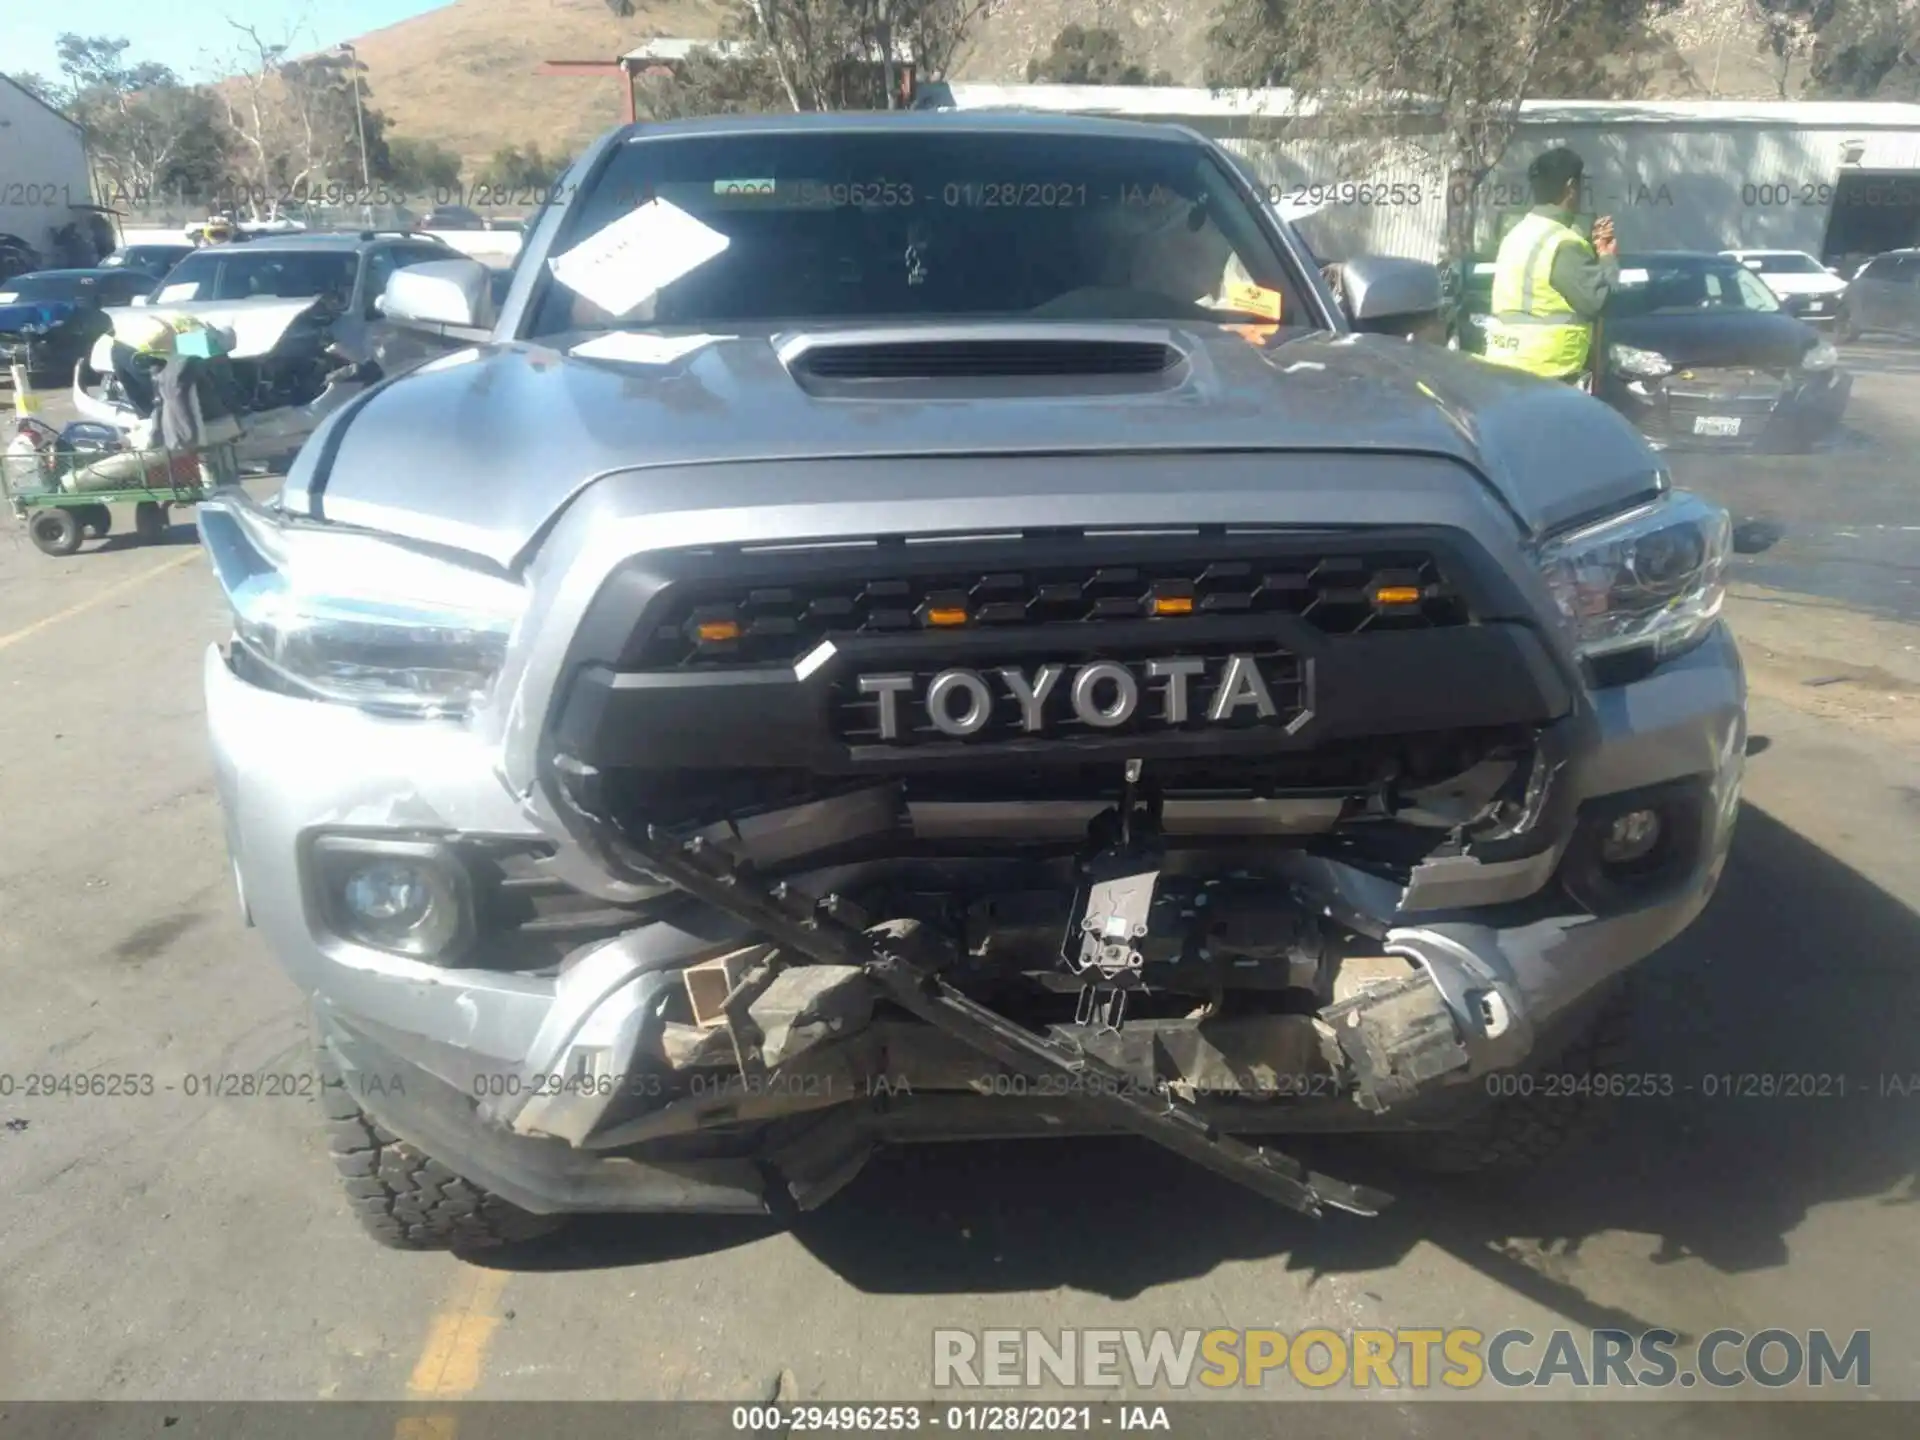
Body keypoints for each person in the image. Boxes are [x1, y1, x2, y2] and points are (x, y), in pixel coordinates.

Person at [1480, 147, 1618, 385]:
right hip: (1547, 372)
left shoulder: (1518, 234)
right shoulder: (1563, 243)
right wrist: (1607, 258)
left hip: (1505, 365)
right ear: (1571, 187)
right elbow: (1598, 300)